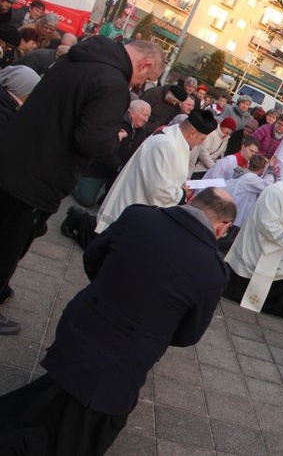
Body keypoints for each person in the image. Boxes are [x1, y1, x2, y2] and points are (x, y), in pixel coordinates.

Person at [0, 188, 235, 453]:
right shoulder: (213, 271)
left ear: (191, 200)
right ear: (222, 227)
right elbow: (188, 335)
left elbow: (93, 258)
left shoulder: (139, 217)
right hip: (121, 364)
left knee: (47, 404)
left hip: (82, 325)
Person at [0, 38, 165, 336]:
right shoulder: (113, 82)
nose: (140, 83)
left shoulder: (79, 57)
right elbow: (90, 140)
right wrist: (115, 137)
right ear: (146, 64)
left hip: (14, 157)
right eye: (146, 78)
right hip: (39, 175)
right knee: (11, 239)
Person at [223, 169, 283, 319]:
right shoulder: (277, 193)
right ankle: (267, 303)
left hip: (278, 243)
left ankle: (276, 306)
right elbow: (267, 224)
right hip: (261, 243)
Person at [95, 110, 216, 234]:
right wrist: (182, 194)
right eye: (202, 138)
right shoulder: (165, 145)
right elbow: (157, 191)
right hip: (133, 206)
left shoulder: (174, 138)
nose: (202, 143)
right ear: (192, 133)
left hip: (140, 208)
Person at [70, 100, 152, 207]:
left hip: (117, 173)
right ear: (132, 113)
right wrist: (118, 165)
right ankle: (73, 181)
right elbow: (104, 148)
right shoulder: (116, 123)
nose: (146, 119)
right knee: (87, 200)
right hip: (98, 168)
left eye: (148, 116)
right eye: (144, 115)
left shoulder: (142, 131)